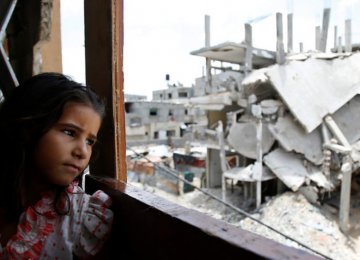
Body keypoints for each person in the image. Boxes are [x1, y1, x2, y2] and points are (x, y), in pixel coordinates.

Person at [0, 72, 113, 259]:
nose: (82, 152)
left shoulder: (79, 218)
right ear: (28, 128)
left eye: (90, 141)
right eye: (69, 132)